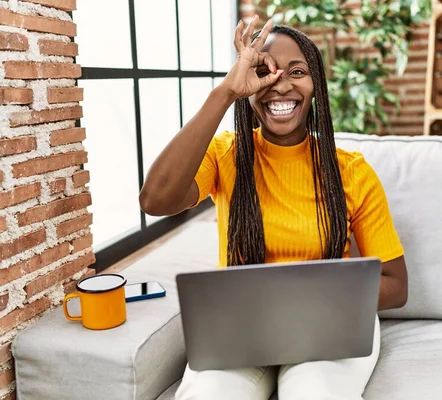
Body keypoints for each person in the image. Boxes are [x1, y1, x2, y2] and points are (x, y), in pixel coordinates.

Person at [139, 15, 408, 400]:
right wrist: (225, 93)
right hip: (242, 325)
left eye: (297, 71)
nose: (280, 84)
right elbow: (155, 200)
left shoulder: (351, 172)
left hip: (330, 325)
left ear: (316, 85)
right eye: (265, 70)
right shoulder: (226, 155)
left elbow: (396, 286)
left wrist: (311, 300)